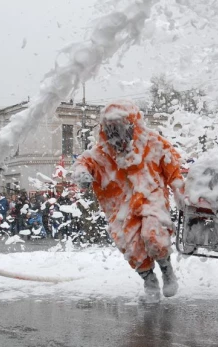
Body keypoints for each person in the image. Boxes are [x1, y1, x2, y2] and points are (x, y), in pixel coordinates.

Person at [72, 100, 185, 303]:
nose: (117, 135)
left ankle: (166, 269)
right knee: (131, 246)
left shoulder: (153, 142)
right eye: (111, 129)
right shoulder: (102, 152)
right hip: (120, 208)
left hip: (152, 199)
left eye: (121, 128)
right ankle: (149, 281)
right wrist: (81, 173)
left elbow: (172, 166)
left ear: (133, 125)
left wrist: (179, 191)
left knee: (154, 235)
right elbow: (84, 162)